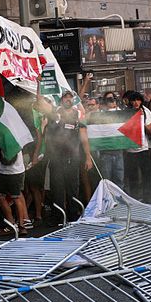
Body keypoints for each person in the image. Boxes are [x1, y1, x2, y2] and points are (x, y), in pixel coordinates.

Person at [35, 90, 93, 223]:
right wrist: (39, 84)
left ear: (73, 100)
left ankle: (73, 215)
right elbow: (40, 101)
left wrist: (88, 157)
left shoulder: (78, 115)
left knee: (73, 188)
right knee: (57, 189)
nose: (68, 99)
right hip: (56, 158)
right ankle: (58, 217)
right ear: (61, 100)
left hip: (73, 158)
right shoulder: (55, 112)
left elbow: (84, 138)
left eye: (70, 97)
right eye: (65, 97)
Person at [123, 91, 151, 201]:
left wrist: (141, 120)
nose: (136, 103)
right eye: (134, 100)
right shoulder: (126, 112)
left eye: (138, 100)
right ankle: (134, 198)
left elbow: (150, 130)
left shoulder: (146, 112)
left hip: (143, 148)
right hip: (130, 149)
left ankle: (148, 198)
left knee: (146, 174)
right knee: (133, 176)